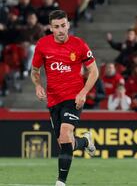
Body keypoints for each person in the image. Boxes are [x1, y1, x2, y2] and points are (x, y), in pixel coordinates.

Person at [31, 10, 98, 186]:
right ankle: (85, 141)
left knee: (66, 133)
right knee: (65, 143)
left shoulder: (79, 45)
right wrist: (38, 85)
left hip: (73, 98)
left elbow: (94, 71)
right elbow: (35, 71)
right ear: (51, 28)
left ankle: (60, 183)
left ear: (68, 24)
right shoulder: (42, 45)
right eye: (56, 27)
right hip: (53, 100)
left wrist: (83, 92)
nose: (61, 30)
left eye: (63, 25)